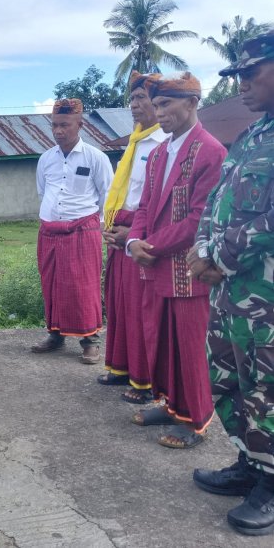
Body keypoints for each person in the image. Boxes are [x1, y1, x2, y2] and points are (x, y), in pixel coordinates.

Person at [189, 30, 274, 535]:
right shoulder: (253, 136)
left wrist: (218, 255)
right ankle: (250, 461)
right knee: (230, 381)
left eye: (251, 72)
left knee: (267, 387)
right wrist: (203, 249)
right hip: (229, 295)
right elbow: (215, 204)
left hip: (264, 295)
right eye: (237, 74)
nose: (241, 84)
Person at [127, 72, 227, 448]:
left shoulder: (211, 151)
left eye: (166, 104)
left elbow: (198, 219)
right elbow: (144, 207)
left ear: (192, 103)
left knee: (190, 347)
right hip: (156, 267)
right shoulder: (157, 154)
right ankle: (172, 406)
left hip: (188, 269)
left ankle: (197, 419)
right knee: (163, 342)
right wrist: (134, 239)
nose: (158, 111)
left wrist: (148, 246)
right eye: (156, 104)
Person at [99, 72, 168, 401]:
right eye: (132, 99)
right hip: (120, 232)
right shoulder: (135, 142)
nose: (135, 105)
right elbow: (121, 192)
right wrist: (110, 227)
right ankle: (121, 367)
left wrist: (133, 233)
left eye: (142, 98)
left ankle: (145, 381)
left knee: (143, 310)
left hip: (142, 234)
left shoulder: (163, 144)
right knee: (120, 304)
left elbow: (157, 202)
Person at [31, 98, 113, 363]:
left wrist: (97, 225)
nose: (58, 131)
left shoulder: (95, 157)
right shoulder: (46, 159)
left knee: (83, 286)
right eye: (55, 125)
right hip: (50, 232)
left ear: (79, 124)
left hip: (82, 231)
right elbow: (44, 192)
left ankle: (90, 341)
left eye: (64, 125)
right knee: (51, 284)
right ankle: (55, 336)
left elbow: (107, 196)